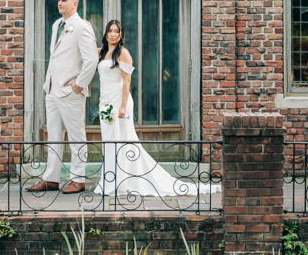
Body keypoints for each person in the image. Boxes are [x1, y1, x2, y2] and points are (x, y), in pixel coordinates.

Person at [93, 20, 220, 197]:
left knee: (123, 140)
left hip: (119, 101)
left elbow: (127, 81)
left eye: (117, 31)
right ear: (105, 33)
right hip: (104, 101)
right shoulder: (102, 52)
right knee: (109, 141)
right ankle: (110, 180)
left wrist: (122, 106)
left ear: (121, 35)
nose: (113, 34)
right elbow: (83, 53)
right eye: (110, 31)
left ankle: (123, 182)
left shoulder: (123, 53)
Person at [27, 0, 98, 195]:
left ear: (74, 4)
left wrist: (78, 85)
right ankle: (51, 179)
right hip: (52, 89)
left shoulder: (82, 27)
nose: (60, 3)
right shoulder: (57, 24)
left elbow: (91, 59)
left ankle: (78, 179)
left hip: (70, 92)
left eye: (64, 0)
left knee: (77, 136)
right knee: (54, 136)